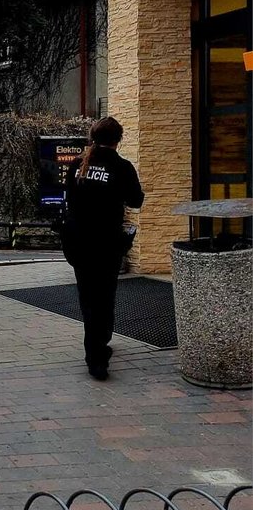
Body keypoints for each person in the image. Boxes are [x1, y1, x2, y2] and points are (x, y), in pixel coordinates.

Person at [62, 117, 144, 381]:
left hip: (78, 243)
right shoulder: (121, 167)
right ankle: (97, 354)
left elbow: (70, 199)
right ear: (118, 140)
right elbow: (136, 200)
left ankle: (96, 348)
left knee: (88, 299)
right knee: (105, 296)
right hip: (107, 245)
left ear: (92, 138)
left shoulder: (77, 165)